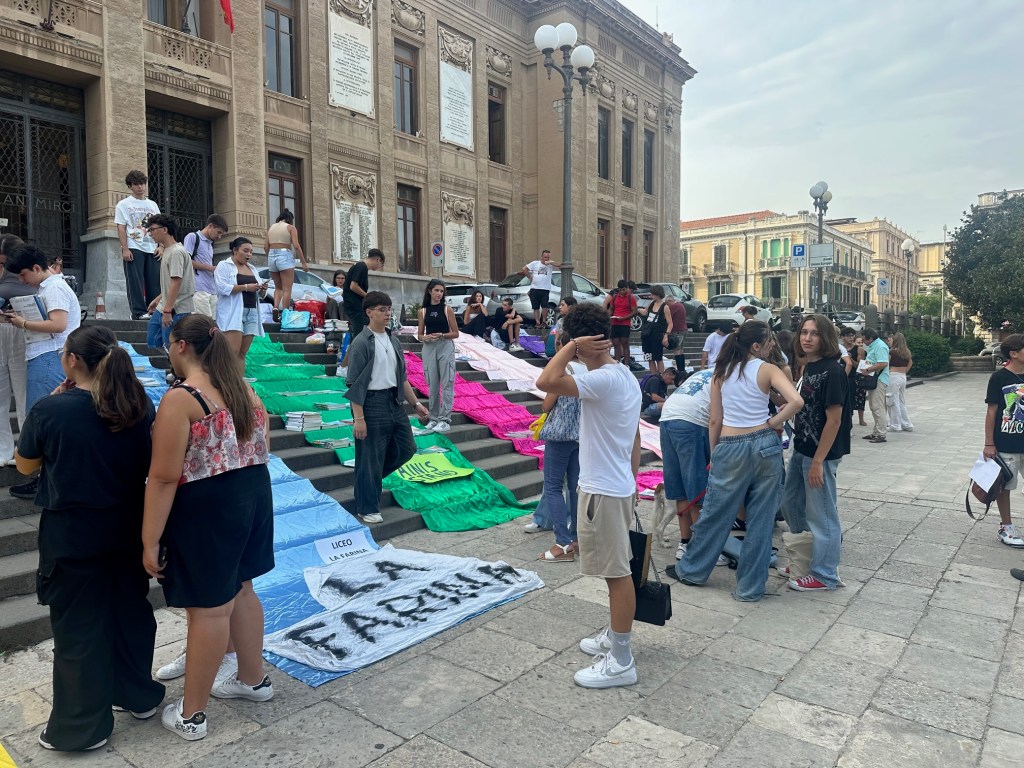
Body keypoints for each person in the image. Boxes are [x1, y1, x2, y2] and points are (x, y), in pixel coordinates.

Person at [16, 326, 164, 752]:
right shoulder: (139, 404)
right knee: (130, 612)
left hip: (74, 534)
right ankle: (137, 695)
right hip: (129, 527)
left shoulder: (51, 410)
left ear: (72, 361)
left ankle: (83, 725)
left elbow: (25, 467)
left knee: (79, 626)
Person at [142, 315, 275, 742]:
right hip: (252, 494)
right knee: (243, 589)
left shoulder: (182, 399)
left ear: (181, 346)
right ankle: (252, 680)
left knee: (210, 608)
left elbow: (163, 477)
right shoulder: (245, 389)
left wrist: (150, 538)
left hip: (209, 505)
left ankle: (192, 714)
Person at [537, 303, 641, 688]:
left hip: (605, 491)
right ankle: (615, 637)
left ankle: (621, 659)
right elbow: (634, 437)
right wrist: (629, 482)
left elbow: (545, 382)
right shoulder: (623, 375)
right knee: (616, 571)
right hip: (615, 486)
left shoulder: (604, 381)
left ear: (582, 344)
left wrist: (567, 347)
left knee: (617, 575)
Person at [669, 321, 803, 602]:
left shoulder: (721, 372)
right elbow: (795, 401)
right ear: (756, 346)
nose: (771, 347)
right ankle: (750, 588)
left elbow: (715, 419)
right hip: (765, 443)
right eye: (768, 342)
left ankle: (693, 570)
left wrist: (714, 451)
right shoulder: (768, 370)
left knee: (716, 513)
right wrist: (772, 423)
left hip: (730, 444)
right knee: (761, 519)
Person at [4, 245, 82, 500]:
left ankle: (45, 481)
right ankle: (45, 479)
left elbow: (58, 325)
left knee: (43, 419)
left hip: (48, 356)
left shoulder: (55, 288)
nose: (23, 281)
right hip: (47, 356)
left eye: (24, 275)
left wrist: (23, 322)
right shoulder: (49, 287)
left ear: (37, 268)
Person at [345, 291, 430, 524]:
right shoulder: (361, 342)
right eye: (382, 309)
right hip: (371, 404)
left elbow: (402, 378)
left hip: (394, 402)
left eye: (389, 309)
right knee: (369, 457)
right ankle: (367, 506)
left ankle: (368, 481)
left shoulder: (393, 340)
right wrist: (358, 418)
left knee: (407, 448)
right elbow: (353, 383)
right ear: (369, 312)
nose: (387, 313)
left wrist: (417, 404)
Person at [781, 315, 852, 592]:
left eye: (814, 334)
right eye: (804, 332)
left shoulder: (832, 371)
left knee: (822, 513)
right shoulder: (810, 367)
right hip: (803, 447)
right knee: (791, 504)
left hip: (820, 454)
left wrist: (819, 462)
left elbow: (834, 420)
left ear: (825, 338)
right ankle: (805, 557)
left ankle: (825, 575)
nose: (807, 338)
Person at [536, 355, 582, 563]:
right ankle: (576, 539)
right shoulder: (589, 371)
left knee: (554, 487)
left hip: (558, 436)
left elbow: (546, 405)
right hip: (579, 436)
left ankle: (563, 543)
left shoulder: (563, 371)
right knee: (575, 489)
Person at [984, 335, 1024, 551]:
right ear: (1014, 353)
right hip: (1006, 442)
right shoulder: (999, 378)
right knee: (1005, 487)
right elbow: (992, 411)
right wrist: (989, 444)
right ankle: (1006, 526)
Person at [0, 234, 32, 467]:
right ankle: (3, 450)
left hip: (22, 330)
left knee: (22, 394)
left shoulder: (29, 269)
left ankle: (25, 449)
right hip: (2, 330)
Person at [114, 170, 161, 320]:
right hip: (134, 246)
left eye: (142, 183)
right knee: (135, 281)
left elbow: (159, 224)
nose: (140, 187)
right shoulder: (123, 204)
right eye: (136, 184)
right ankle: (138, 312)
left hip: (152, 246)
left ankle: (152, 310)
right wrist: (125, 249)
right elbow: (121, 227)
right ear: (130, 186)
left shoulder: (152, 204)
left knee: (154, 280)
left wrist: (161, 246)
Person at [147, 214, 195, 351]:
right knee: (153, 339)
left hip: (176, 308)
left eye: (152, 229)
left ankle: (176, 370)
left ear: (165, 230)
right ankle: (172, 367)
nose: (150, 234)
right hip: (164, 305)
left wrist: (168, 310)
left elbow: (177, 282)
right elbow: (170, 282)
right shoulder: (168, 251)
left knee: (172, 346)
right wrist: (158, 299)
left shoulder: (176, 252)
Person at [215, 237, 267, 360]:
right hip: (234, 312)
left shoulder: (252, 269)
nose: (249, 254)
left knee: (242, 353)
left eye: (251, 252)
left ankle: (238, 378)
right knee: (232, 352)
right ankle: (227, 378)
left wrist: (262, 289)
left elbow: (259, 295)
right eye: (245, 251)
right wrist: (245, 287)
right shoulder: (224, 265)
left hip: (252, 312)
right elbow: (222, 288)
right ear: (235, 250)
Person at [417, 280, 459, 433]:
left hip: (445, 345)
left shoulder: (447, 310)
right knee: (432, 384)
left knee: (447, 382)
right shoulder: (423, 311)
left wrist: (442, 335)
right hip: (429, 347)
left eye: (442, 291)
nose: (439, 294)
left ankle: (445, 419)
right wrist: (425, 338)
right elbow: (420, 334)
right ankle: (434, 418)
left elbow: (456, 333)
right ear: (430, 291)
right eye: (436, 290)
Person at [340, 249, 386, 372]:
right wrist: (368, 296)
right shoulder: (362, 267)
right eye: (381, 265)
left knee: (359, 336)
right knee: (359, 337)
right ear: (378, 259)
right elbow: (353, 286)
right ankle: (347, 367)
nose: (379, 267)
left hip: (355, 306)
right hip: (355, 307)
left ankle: (345, 366)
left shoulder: (359, 266)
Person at [264, 209, 308, 322]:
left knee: (278, 287)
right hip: (284, 254)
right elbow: (296, 246)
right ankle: (285, 313)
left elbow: (265, 247)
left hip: (271, 255)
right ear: (290, 219)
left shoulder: (271, 228)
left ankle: (275, 307)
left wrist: (270, 257)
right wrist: (303, 262)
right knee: (287, 288)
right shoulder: (290, 228)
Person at [183, 214, 228, 319]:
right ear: (210, 226)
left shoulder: (210, 244)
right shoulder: (193, 237)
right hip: (198, 288)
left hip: (212, 289)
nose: (219, 236)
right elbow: (185, 261)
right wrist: (211, 268)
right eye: (219, 232)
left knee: (212, 324)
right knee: (202, 323)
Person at [861, 327, 890, 443]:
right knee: (874, 406)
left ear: (871, 338)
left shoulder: (880, 346)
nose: (863, 341)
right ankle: (876, 431)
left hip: (879, 379)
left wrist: (868, 370)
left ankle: (881, 433)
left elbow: (883, 363)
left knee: (878, 407)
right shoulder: (874, 345)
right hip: (874, 377)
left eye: (864, 339)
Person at [638, 285, 673, 374]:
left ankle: (661, 376)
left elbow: (670, 323)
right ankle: (653, 376)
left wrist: (666, 335)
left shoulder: (665, 307)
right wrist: (637, 310)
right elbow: (645, 312)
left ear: (657, 294)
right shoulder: (651, 304)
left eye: (653, 294)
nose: (651, 296)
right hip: (647, 334)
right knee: (649, 358)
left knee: (658, 358)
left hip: (657, 335)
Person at [886, 332, 914, 432]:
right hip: (903, 376)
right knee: (901, 401)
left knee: (892, 401)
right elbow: (910, 362)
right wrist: (906, 370)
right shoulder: (906, 352)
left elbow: (886, 363)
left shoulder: (892, 352)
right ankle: (906, 424)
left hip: (893, 375)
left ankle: (895, 424)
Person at [604, 280, 636, 366]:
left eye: (624, 289)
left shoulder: (631, 297)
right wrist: (609, 315)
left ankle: (626, 364)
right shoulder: (615, 297)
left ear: (627, 288)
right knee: (615, 343)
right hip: (615, 322)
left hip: (625, 323)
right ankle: (617, 363)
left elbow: (634, 311)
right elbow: (611, 308)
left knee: (624, 343)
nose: (622, 291)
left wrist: (624, 318)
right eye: (620, 289)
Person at [841, 328, 868, 425]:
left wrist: (850, 359)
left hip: (854, 377)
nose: (851, 338)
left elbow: (859, 366)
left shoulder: (859, 349)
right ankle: (847, 420)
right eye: (848, 335)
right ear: (842, 337)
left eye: (852, 335)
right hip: (842, 376)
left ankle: (860, 419)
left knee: (858, 398)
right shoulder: (839, 348)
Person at [521, 249, 554, 327]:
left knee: (545, 306)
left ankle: (544, 321)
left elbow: (560, 265)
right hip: (535, 288)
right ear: (542, 257)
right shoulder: (535, 263)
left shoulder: (550, 265)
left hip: (545, 289)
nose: (546, 259)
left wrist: (551, 262)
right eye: (545, 257)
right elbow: (524, 269)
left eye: (548, 257)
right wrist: (530, 277)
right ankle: (537, 322)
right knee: (536, 307)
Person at [664, 294, 688, 369]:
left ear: (670, 301)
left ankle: (680, 369)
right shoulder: (680, 305)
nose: (666, 305)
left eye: (667, 303)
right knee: (681, 350)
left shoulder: (673, 307)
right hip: (683, 329)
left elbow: (666, 317)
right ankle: (682, 369)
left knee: (676, 351)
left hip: (677, 330)